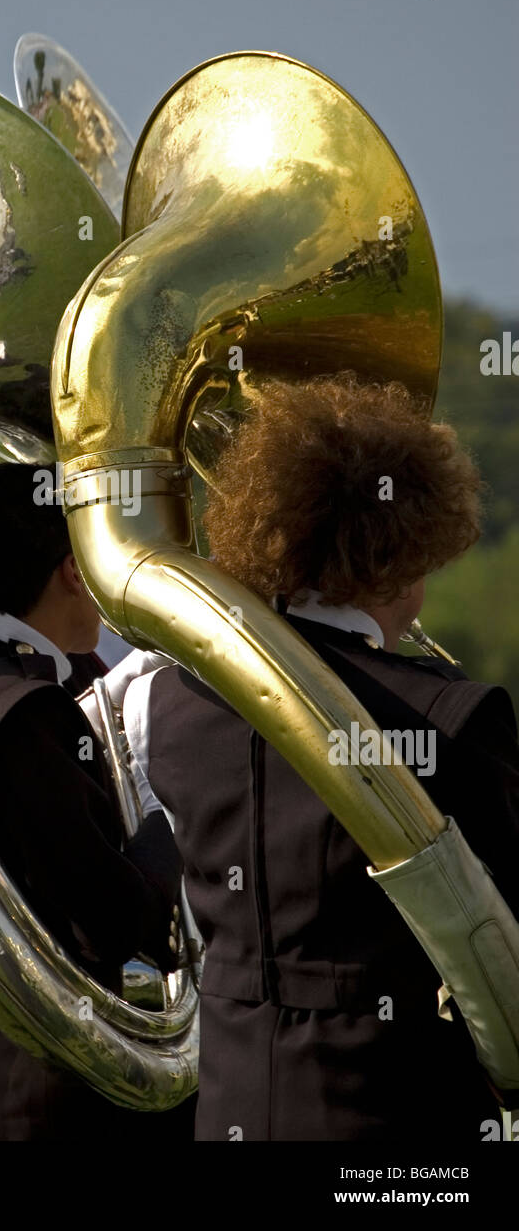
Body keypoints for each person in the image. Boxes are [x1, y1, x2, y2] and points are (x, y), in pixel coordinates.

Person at [123, 372, 519, 1141]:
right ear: (407, 550)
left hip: (233, 1109)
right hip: (396, 1123)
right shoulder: (457, 715)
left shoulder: (169, 704)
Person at [0, 462, 187, 1141]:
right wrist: (175, 829)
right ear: (75, 569)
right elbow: (107, 916)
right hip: (32, 1092)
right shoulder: (24, 709)